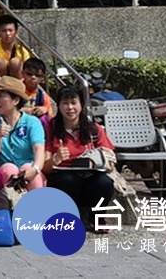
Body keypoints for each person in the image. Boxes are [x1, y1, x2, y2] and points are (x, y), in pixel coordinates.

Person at [43, 85, 117, 223]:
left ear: (81, 105)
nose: (70, 107)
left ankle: (98, 219)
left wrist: (97, 162)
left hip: (90, 178)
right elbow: (45, 168)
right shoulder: (50, 129)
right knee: (68, 181)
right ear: (58, 106)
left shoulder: (94, 129)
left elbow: (110, 161)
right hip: (63, 181)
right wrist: (55, 159)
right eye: (65, 103)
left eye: (73, 102)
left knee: (104, 183)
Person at [0, 75, 47, 192]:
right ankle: (14, 206)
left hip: (28, 166)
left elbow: (38, 149)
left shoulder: (32, 122)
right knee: (9, 169)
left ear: (16, 100)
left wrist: (35, 169)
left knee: (29, 169)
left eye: (1, 96)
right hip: (4, 168)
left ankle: (38, 207)